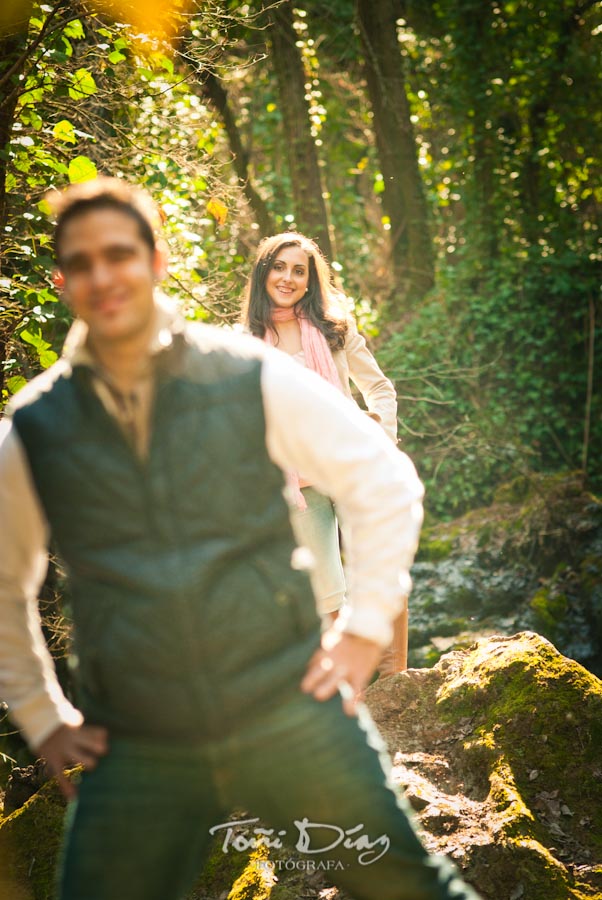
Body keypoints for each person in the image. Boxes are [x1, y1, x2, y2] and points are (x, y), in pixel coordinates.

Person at [0, 177, 480, 900]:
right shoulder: (34, 425)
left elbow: (384, 482)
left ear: (158, 259)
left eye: (121, 254)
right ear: (62, 280)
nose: (104, 276)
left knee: (414, 890)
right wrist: (41, 714)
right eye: (82, 262)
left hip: (289, 708)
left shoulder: (247, 374)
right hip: (136, 743)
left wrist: (361, 632)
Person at [243, 231, 408, 672]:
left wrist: (380, 437)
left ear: (311, 280)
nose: (288, 277)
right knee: (326, 594)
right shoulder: (244, 343)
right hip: (298, 482)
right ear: (263, 272)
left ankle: (399, 686)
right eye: (279, 267)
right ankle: (353, 694)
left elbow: (379, 389)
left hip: (352, 466)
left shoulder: (333, 328)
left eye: (299, 270)